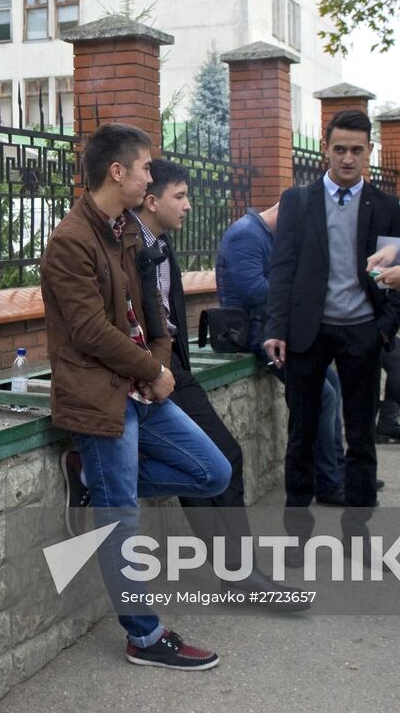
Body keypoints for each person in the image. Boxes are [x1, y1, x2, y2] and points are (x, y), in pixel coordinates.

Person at [45, 124, 230, 671]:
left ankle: (91, 482)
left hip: (144, 389)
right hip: (100, 396)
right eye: (147, 168)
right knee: (120, 516)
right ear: (117, 172)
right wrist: (149, 368)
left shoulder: (126, 230)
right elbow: (89, 332)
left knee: (212, 473)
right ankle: (144, 637)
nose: (153, 176)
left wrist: (160, 367)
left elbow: (155, 309)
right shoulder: (69, 241)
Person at [134, 160, 306, 609]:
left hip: (172, 368)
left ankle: (242, 573)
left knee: (221, 457)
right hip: (150, 373)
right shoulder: (130, 248)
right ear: (151, 201)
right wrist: (155, 372)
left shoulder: (161, 245)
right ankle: (241, 576)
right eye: (180, 196)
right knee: (209, 462)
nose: (188, 205)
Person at [263, 109, 400, 560]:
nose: (347, 159)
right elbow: (282, 269)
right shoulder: (298, 202)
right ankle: (297, 532)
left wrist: (384, 329)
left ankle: (358, 530)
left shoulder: (386, 208)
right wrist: (276, 328)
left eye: (357, 150)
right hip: (309, 333)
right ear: (326, 149)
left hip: (363, 331)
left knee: (361, 434)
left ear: (369, 152)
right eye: (340, 149)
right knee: (301, 432)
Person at [215, 199, 352, 505]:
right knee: (322, 394)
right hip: (254, 335)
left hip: (278, 332)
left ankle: (339, 474)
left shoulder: (270, 235)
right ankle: (328, 483)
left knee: (333, 386)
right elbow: (253, 290)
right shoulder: (245, 235)